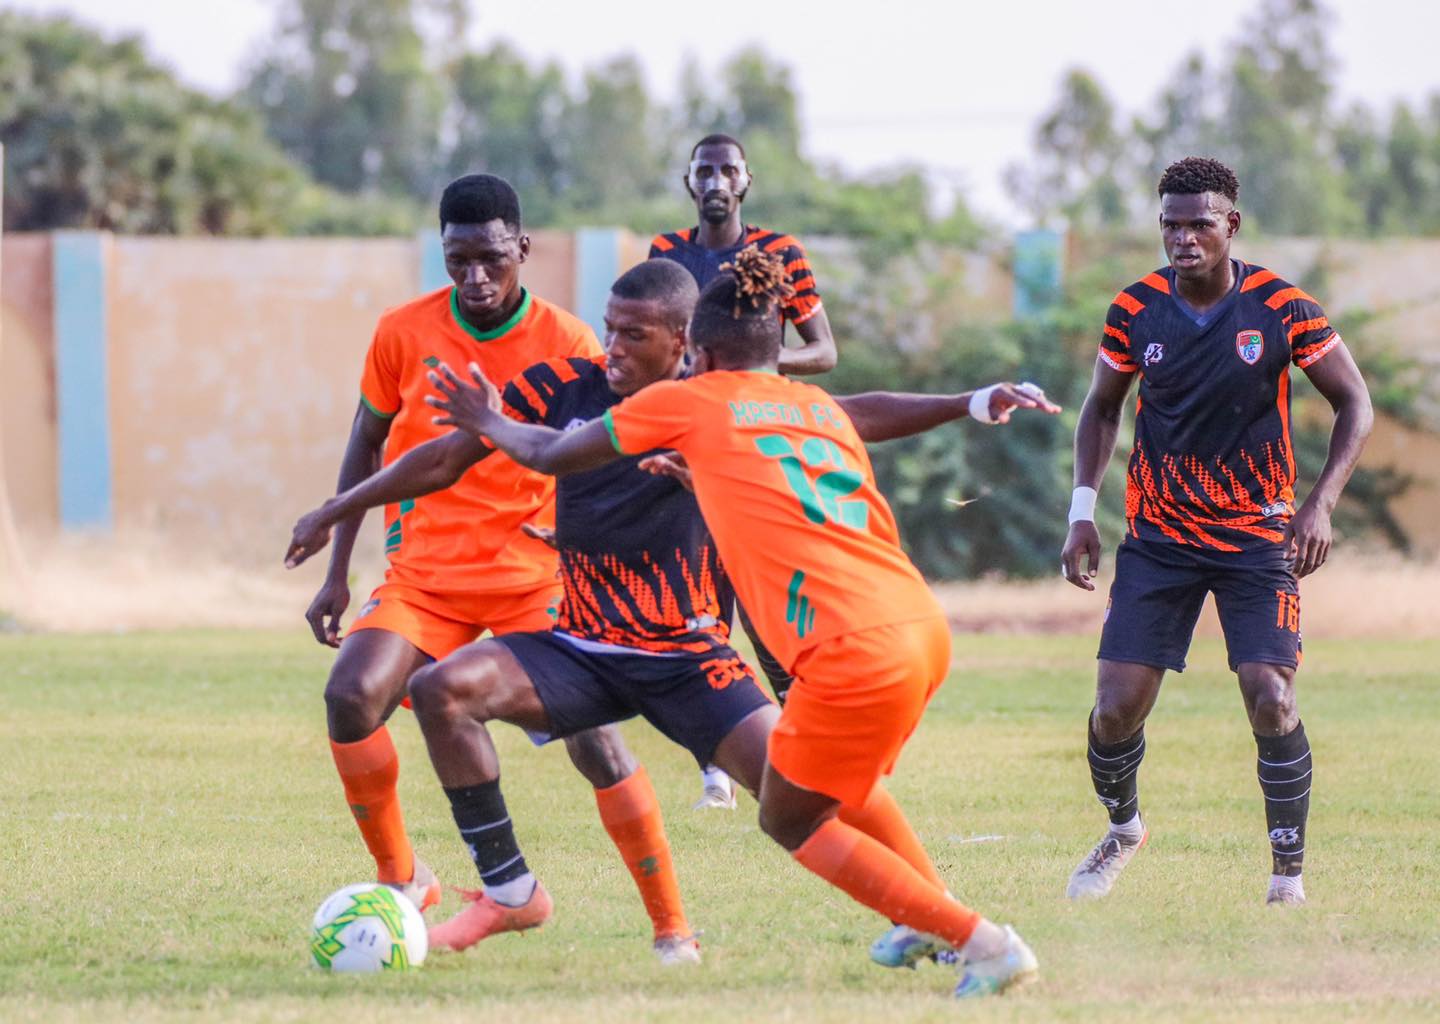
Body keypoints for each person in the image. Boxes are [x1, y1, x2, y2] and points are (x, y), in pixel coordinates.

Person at [425, 246, 1060, 999]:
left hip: (845, 647)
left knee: (792, 818)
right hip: (920, 627)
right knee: (835, 785)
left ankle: (980, 941)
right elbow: (834, 439)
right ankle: (930, 918)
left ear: (695, 348)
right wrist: (968, 399)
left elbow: (555, 451)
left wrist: (485, 417)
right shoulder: (807, 407)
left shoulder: (688, 399)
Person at [292, 174, 686, 944]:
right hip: (426, 576)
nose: (475, 277)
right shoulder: (401, 331)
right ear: (443, 252)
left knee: (595, 741)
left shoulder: (572, 341)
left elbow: (598, 457)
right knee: (350, 697)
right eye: (458, 259)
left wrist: (581, 545)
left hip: (529, 578)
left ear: (523, 250)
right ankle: (403, 880)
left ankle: (673, 929)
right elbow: (366, 445)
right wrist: (338, 567)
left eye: (492, 259)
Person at [1059, 157, 1373, 906]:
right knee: (1114, 711)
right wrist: (1080, 512)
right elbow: (1102, 409)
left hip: (1258, 538)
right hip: (1159, 537)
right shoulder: (1135, 309)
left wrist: (1321, 503)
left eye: (1200, 222)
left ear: (1231, 224)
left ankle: (1286, 882)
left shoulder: (1283, 307)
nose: (1184, 237)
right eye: (1171, 223)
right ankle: (1124, 828)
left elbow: (1354, 403)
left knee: (1271, 697)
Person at [650, 132, 837, 809]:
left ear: (746, 181)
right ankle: (716, 771)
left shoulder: (780, 253)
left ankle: (800, 746)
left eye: (728, 168)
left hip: (760, 443)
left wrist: (753, 361)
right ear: (689, 182)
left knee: (766, 609)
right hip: (690, 440)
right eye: (705, 169)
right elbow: (660, 344)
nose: (716, 179)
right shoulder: (667, 255)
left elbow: (824, 351)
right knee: (700, 608)